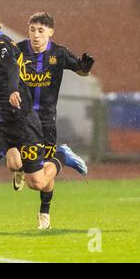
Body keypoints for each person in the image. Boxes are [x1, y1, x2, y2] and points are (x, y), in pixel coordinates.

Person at [0, 6, 88, 234]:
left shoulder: (2, 45)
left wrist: (12, 90)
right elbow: (4, 73)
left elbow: (11, 68)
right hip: (1, 122)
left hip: (24, 122)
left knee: (36, 183)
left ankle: (62, 156)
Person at [10, 12, 94, 229]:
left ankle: (44, 212)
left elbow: (81, 71)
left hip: (46, 123)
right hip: (20, 119)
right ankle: (26, 166)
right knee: (13, 162)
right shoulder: (17, 51)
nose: (36, 35)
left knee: (38, 181)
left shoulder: (59, 53)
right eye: (32, 30)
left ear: (50, 32)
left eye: (41, 31)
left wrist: (85, 67)